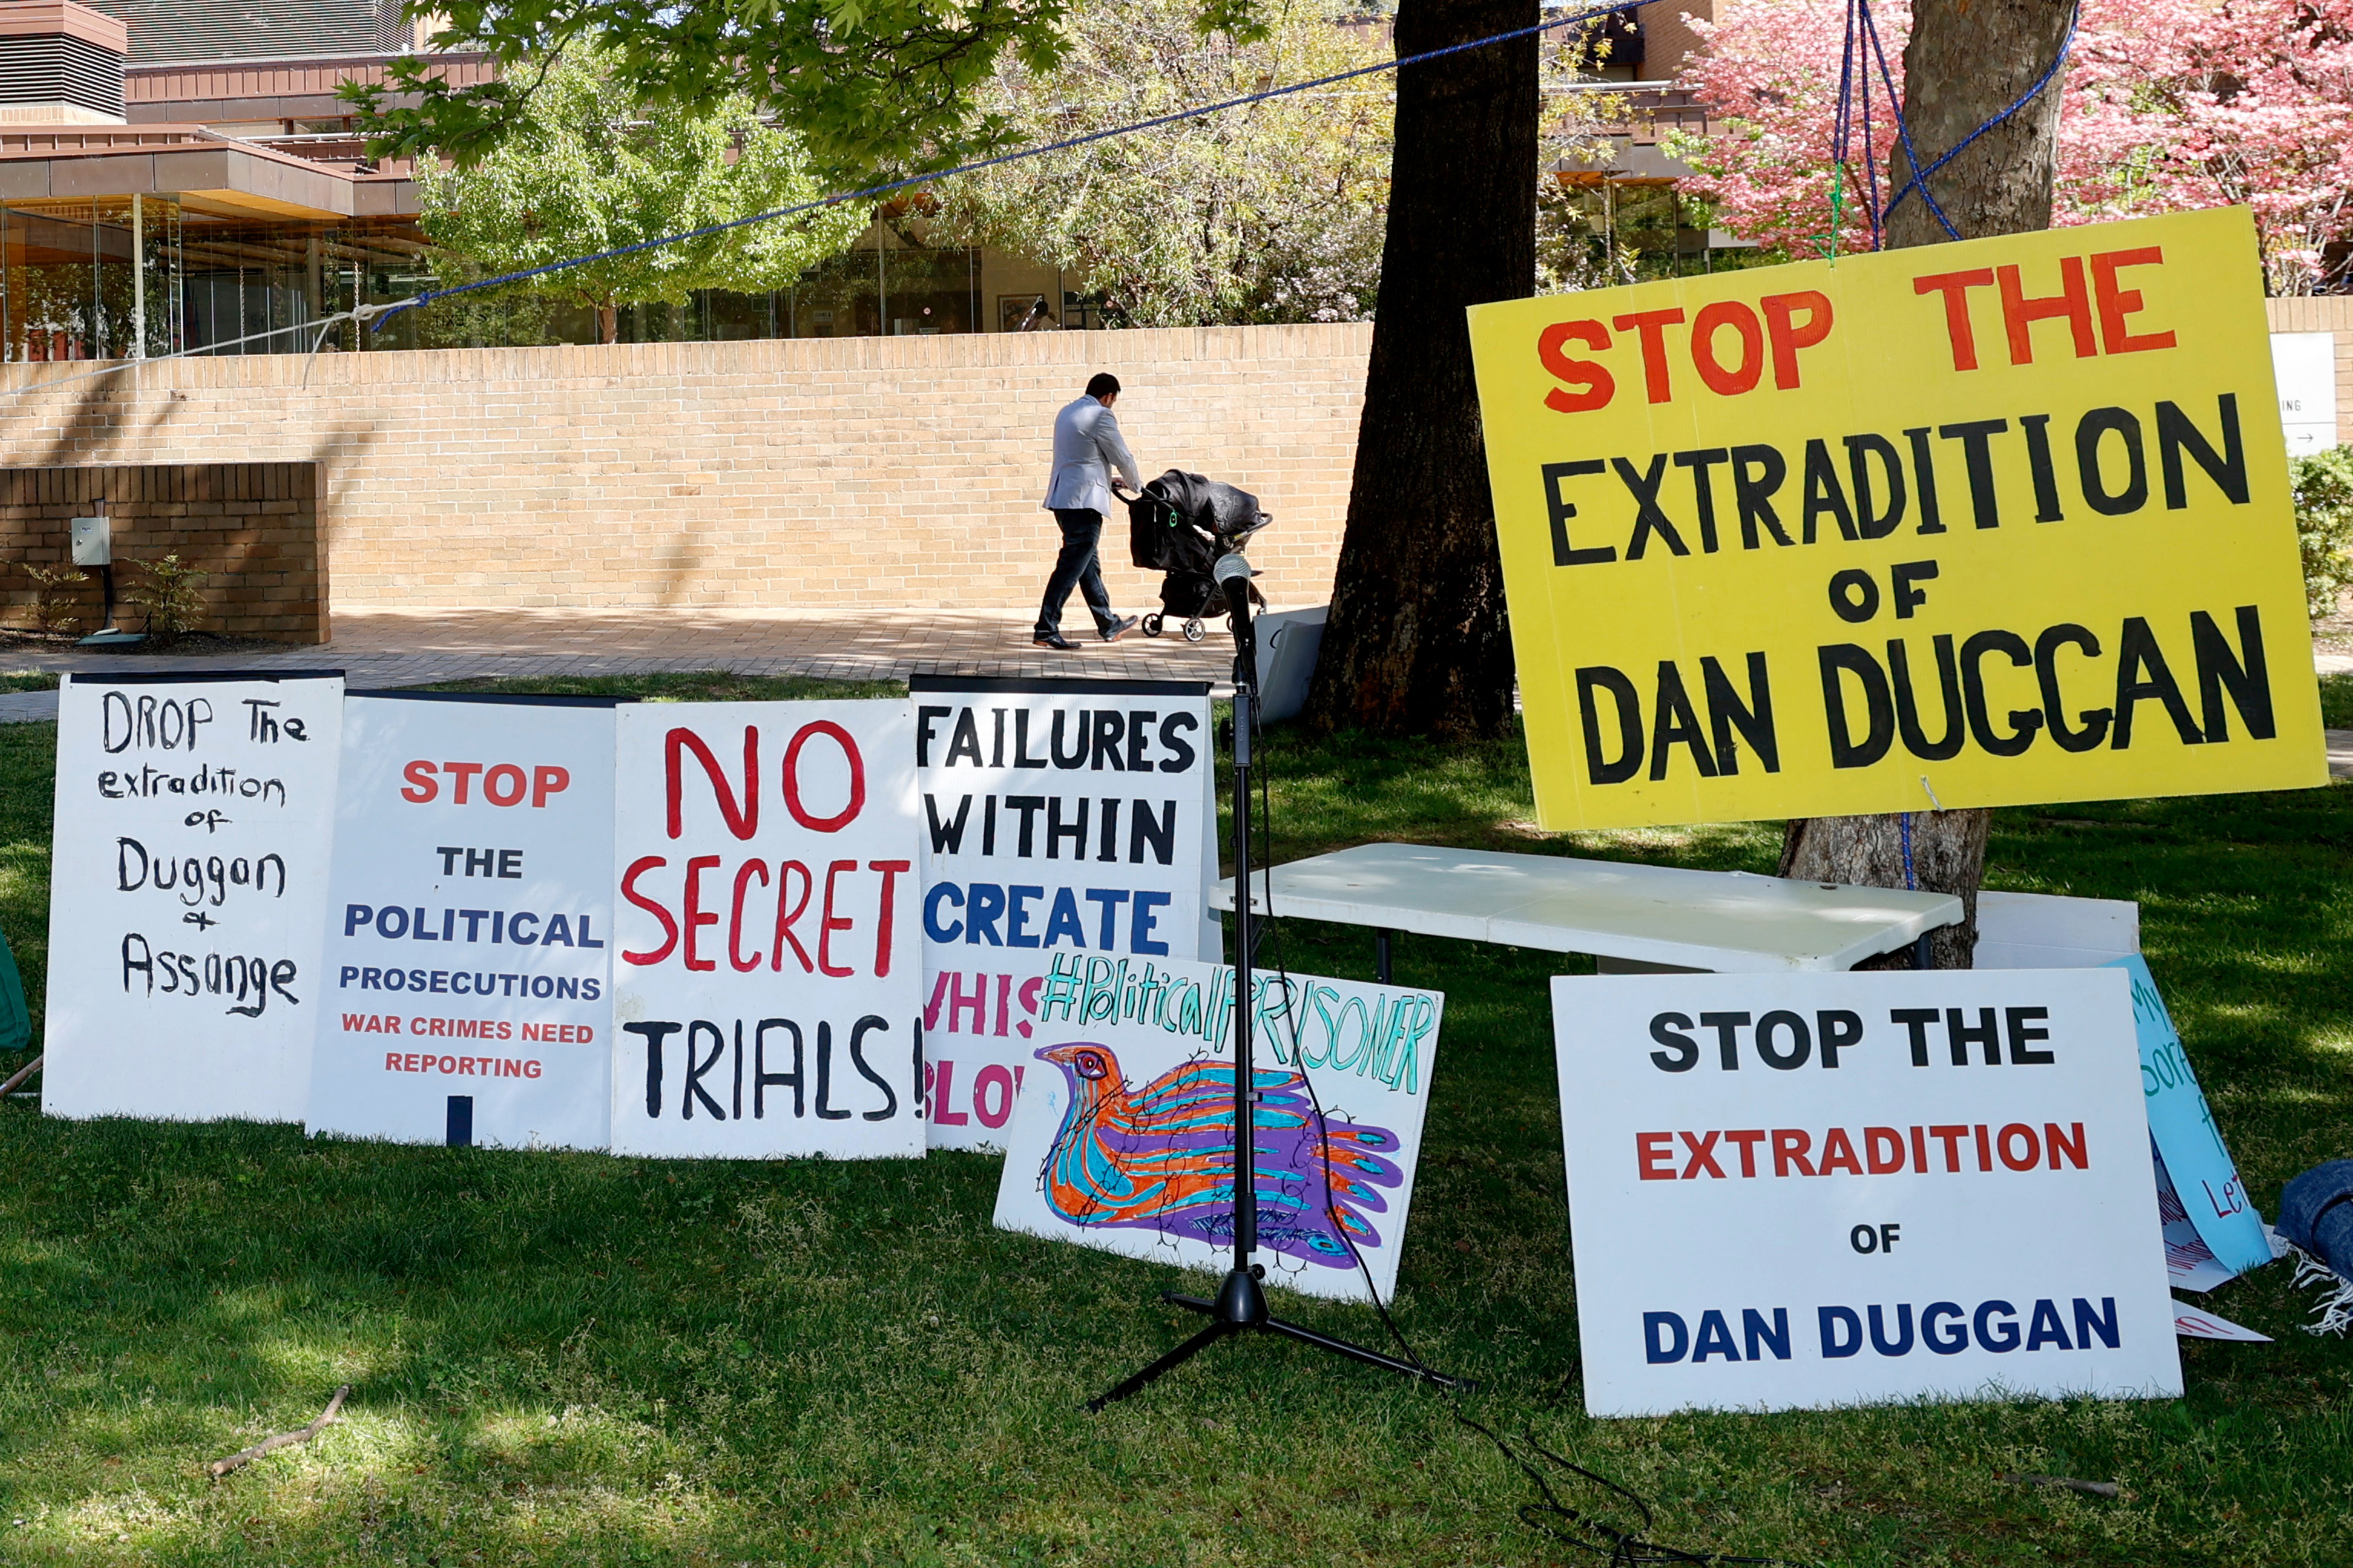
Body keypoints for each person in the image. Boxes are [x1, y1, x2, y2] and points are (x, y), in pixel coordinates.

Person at [1035, 373, 1143, 650]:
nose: (1111, 406)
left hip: (1063, 498)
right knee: (1071, 567)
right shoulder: (1101, 416)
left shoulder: (1067, 412)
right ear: (1109, 396)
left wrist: (1107, 480)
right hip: (1084, 503)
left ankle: (1108, 624)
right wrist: (1137, 486)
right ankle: (1046, 628)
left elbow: (1080, 457)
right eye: (1113, 401)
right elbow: (1122, 456)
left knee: (1087, 566)